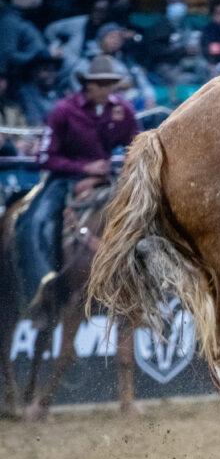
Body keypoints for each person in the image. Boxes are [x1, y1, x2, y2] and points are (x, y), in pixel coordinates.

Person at [15, 55, 139, 305]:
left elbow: (137, 145)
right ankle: (41, 288)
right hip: (63, 179)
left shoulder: (122, 110)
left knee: (142, 214)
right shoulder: (63, 111)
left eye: (111, 84)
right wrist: (84, 167)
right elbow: (44, 157)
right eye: (101, 84)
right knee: (34, 223)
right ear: (87, 85)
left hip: (106, 178)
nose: (107, 89)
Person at [72, 23, 156, 110]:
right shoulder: (87, 61)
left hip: (134, 103)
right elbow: (81, 91)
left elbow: (142, 82)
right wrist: (114, 86)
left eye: (119, 38)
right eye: (112, 37)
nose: (116, 41)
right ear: (101, 39)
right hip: (103, 107)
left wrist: (149, 98)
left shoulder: (126, 60)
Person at [44, 0, 111, 85]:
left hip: (83, 73)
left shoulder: (106, 30)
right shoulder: (78, 22)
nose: (98, 14)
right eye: (96, 10)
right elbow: (51, 29)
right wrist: (55, 46)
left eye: (102, 12)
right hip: (65, 65)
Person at [144, 0, 203, 86]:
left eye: (181, 2)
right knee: (185, 81)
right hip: (166, 64)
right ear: (168, 4)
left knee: (209, 75)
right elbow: (155, 51)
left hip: (191, 62)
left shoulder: (189, 24)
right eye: (174, 2)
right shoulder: (159, 26)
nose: (178, 6)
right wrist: (183, 51)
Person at [0, 0, 47, 77]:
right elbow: (8, 56)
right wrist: (36, 56)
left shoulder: (21, 21)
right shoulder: (10, 22)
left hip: (31, 76)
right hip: (17, 81)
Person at [18, 51, 65, 125]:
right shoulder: (27, 94)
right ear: (34, 72)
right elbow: (34, 121)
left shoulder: (60, 94)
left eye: (53, 70)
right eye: (45, 69)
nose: (51, 74)